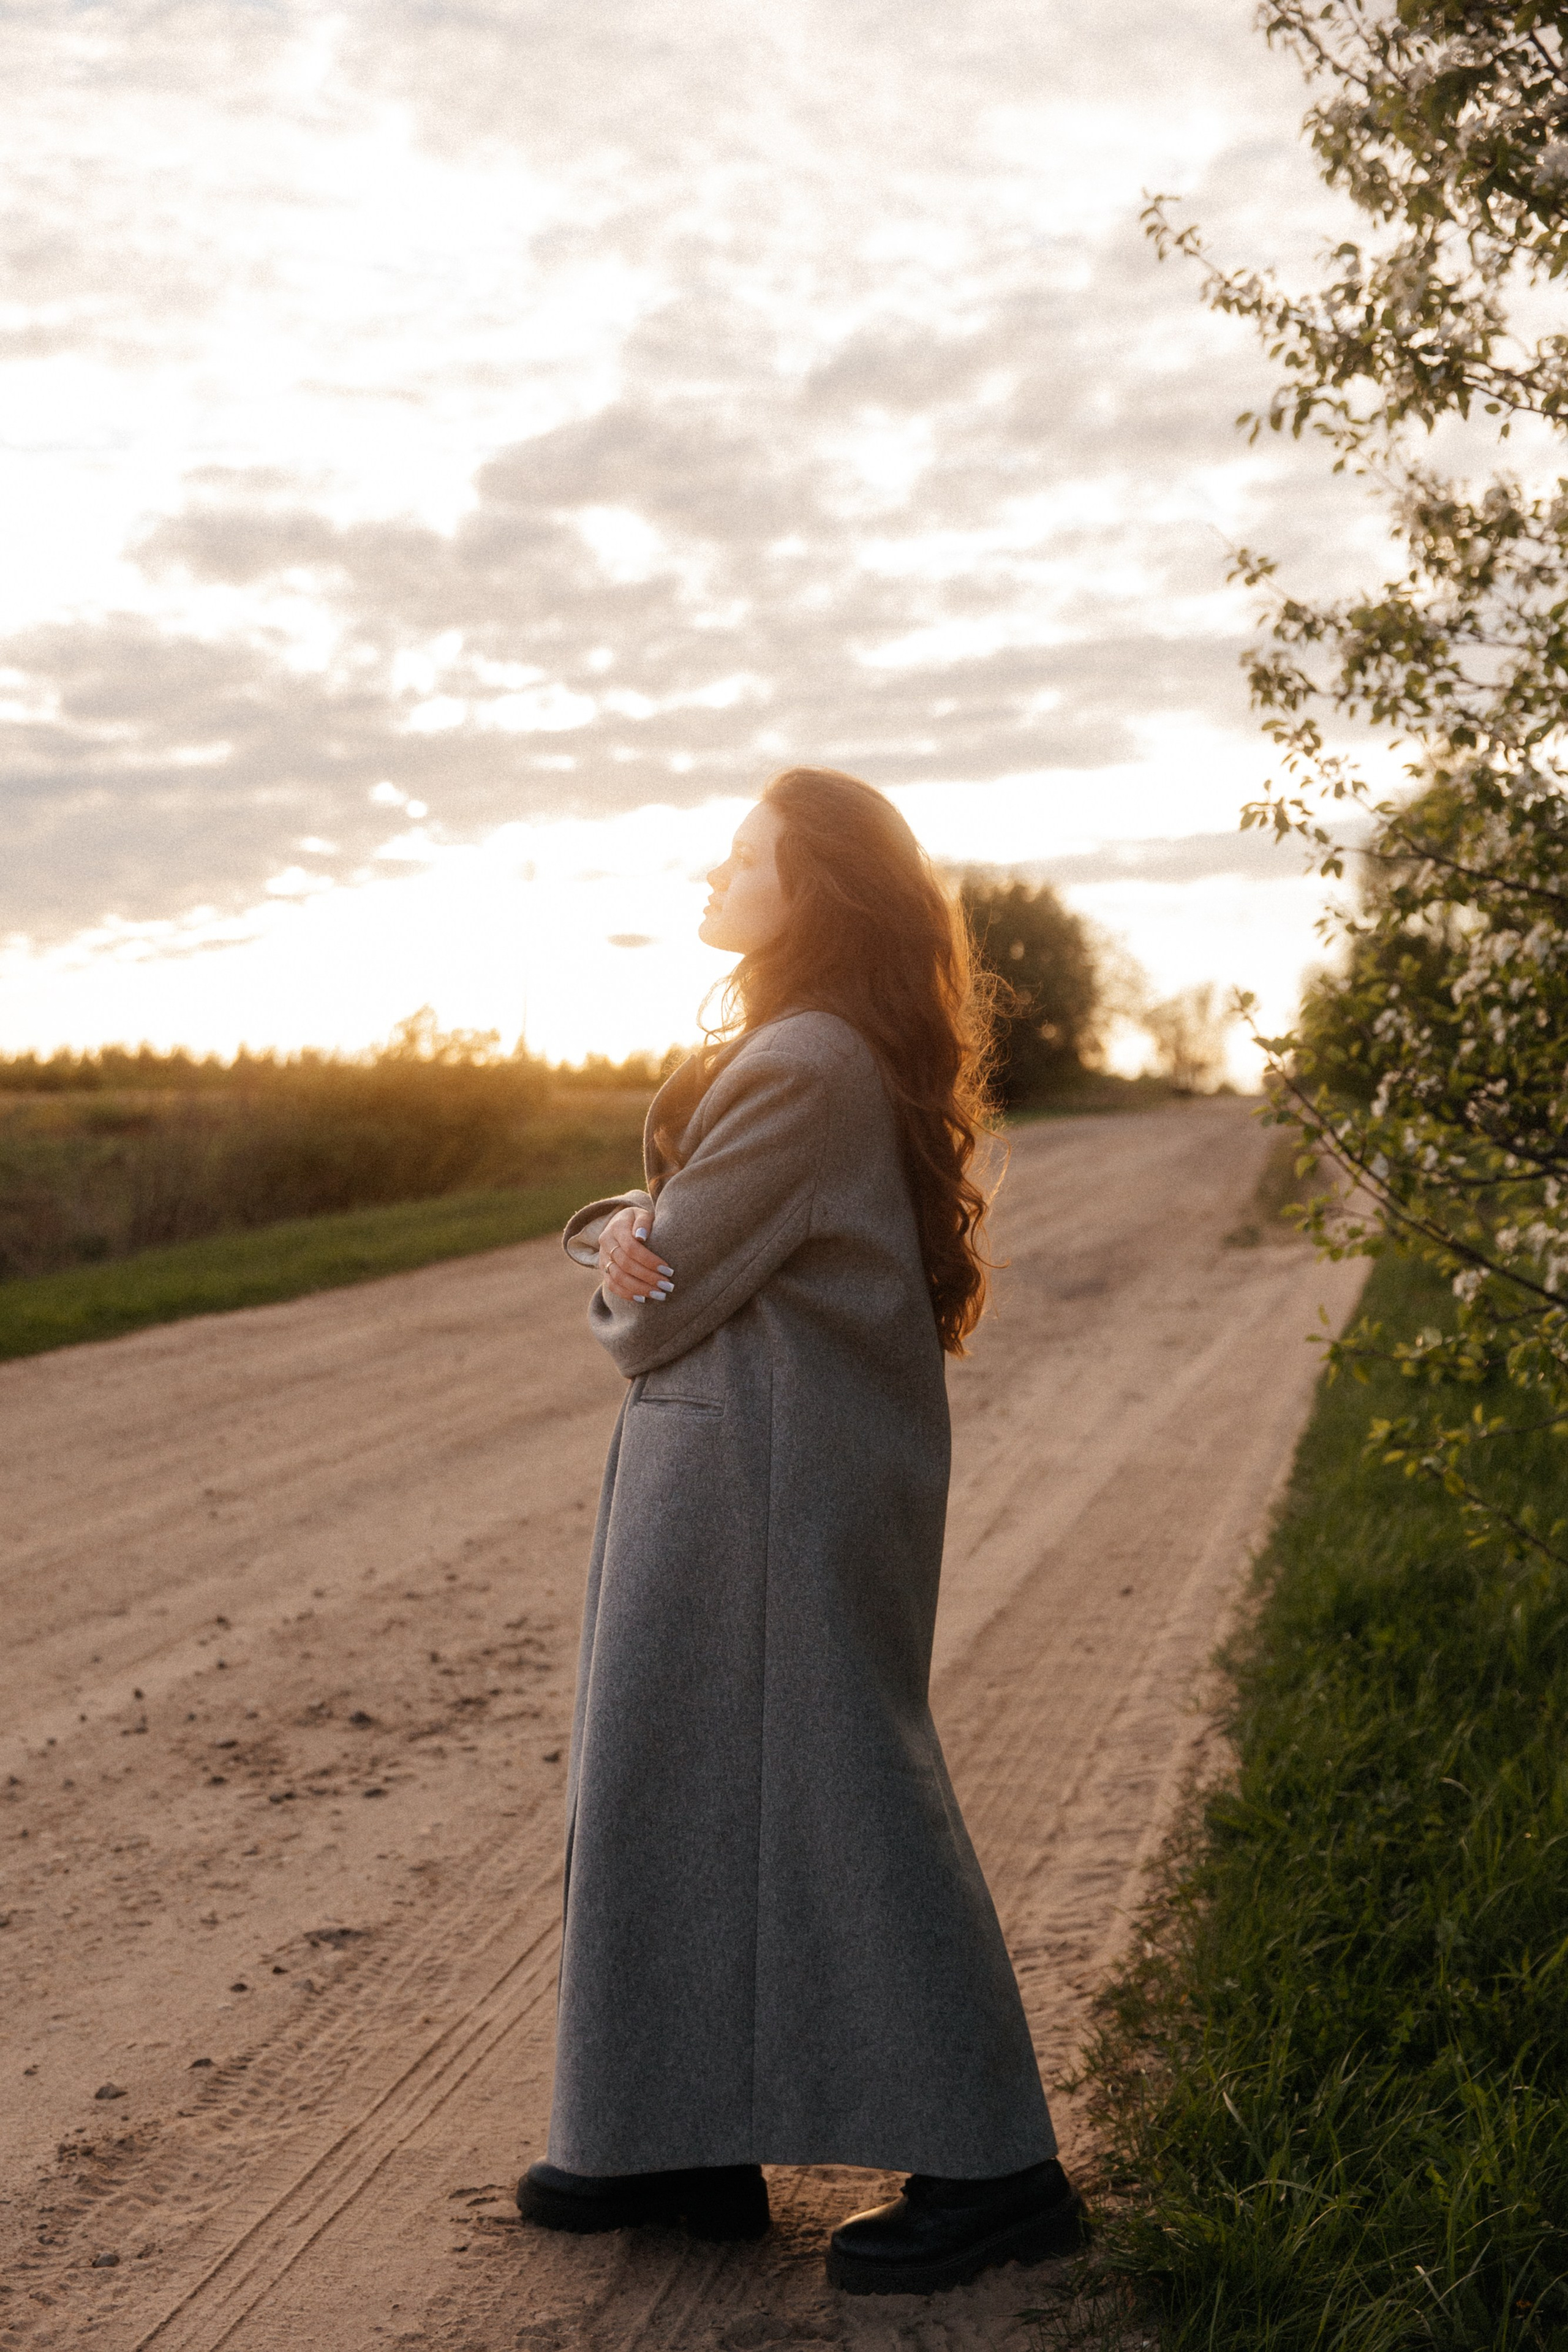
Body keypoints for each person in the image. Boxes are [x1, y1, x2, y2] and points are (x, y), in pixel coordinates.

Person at [517, 767, 1087, 2295]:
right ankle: (675, 2136)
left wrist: (615, 1246)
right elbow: (662, 1253)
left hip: (764, 1487)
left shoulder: (801, 1064)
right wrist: (626, 1238)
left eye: (742, 858)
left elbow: (646, 1310)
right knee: (680, 1779)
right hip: (757, 1476)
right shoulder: (813, 1054)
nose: (712, 877)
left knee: (844, 1787)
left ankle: (996, 2163)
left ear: (809, 893)